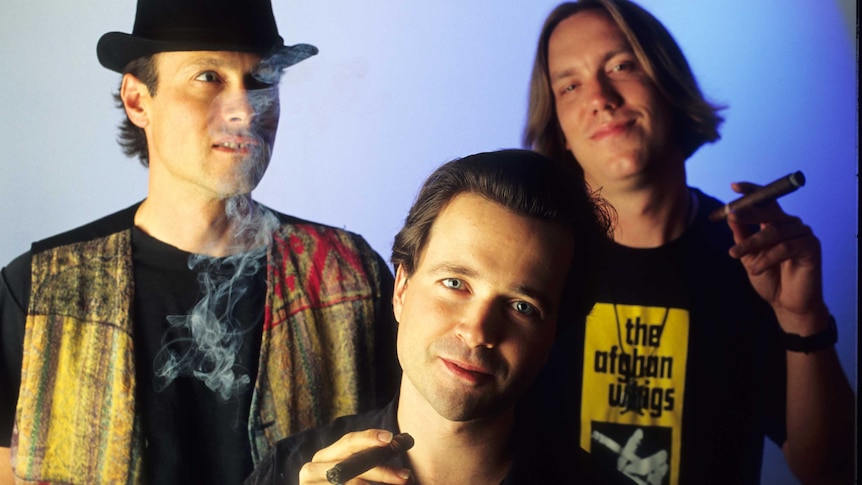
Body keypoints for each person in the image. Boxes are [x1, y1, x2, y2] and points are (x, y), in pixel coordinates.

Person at [0, 0, 399, 483]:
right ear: (137, 100)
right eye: (208, 77)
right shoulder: (41, 292)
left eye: (262, 80)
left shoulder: (351, 278)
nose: (244, 108)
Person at [523, 1, 855, 484]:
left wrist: (802, 317)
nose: (600, 96)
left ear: (670, 85)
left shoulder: (756, 260)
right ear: (561, 131)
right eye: (570, 85)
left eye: (621, 65)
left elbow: (832, 472)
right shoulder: (533, 260)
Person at [244, 149, 627, 484]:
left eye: (522, 307)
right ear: (402, 289)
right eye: (455, 283)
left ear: (554, 336)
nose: (478, 331)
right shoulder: (290, 471)